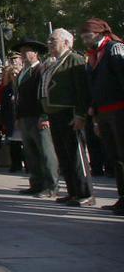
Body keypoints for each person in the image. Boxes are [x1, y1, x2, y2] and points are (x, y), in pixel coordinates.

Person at [41, 28, 94, 207]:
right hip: (55, 115)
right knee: (64, 156)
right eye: (49, 40)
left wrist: (80, 115)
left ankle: (85, 193)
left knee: (76, 156)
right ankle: (73, 192)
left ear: (66, 42)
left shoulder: (75, 60)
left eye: (53, 40)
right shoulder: (54, 62)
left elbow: (82, 91)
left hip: (70, 114)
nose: (49, 43)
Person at [80, 18, 124, 215]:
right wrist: (93, 107)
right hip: (103, 112)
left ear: (99, 33)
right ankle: (122, 198)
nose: (85, 40)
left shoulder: (114, 49)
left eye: (87, 36)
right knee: (114, 157)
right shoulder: (93, 54)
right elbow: (94, 86)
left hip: (118, 110)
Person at [14, 38, 59, 198]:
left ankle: (51, 185)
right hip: (25, 118)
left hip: (38, 117)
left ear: (36, 53)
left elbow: (45, 94)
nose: (23, 54)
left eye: (27, 51)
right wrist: (18, 117)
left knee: (45, 152)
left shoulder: (41, 69)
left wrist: (45, 115)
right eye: (22, 51)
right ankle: (36, 183)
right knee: (31, 153)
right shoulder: (22, 73)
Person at [0, 65, 25, 172]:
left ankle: (28, 165)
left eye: (16, 73)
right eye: (12, 74)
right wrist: (3, 120)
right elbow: (3, 106)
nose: (14, 75)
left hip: (22, 119)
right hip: (11, 120)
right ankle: (15, 165)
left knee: (26, 144)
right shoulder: (7, 89)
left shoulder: (23, 86)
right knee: (13, 144)